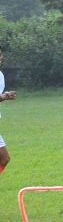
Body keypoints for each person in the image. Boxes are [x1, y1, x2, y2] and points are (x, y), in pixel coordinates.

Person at [0, 45, 17, 178]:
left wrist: (4, 96)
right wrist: (5, 96)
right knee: (4, 157)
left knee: (4, 159)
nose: (1, 57)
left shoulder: (0, 76)